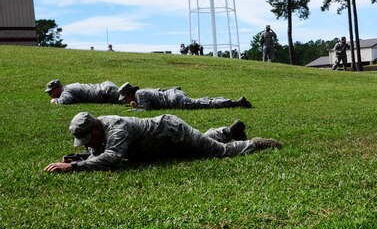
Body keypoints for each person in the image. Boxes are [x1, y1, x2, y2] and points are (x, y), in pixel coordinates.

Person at [43, 112, 281, 172]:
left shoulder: (117, 128)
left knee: (218, 152)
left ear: (95, 126)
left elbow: (113, 157)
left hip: (173, 133)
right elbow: (99, 151)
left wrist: (74, 167)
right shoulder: (100, 129)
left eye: (88, 138)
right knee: (200, 145)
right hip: (167, 142)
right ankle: (226, 129)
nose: (88, 143)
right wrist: (81, 157)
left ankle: (258, 143)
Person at [118, 83, 252, 111]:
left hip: (175, 100)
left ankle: (235, 103)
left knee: (204, 104)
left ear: (130, 93)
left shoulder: (139, 94)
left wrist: (134, 110)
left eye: (125, 98)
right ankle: (227, 100)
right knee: (203, 100)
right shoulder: (141, 93)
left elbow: (147, 109)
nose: (126, 100)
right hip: (175, 95)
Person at [45, 79, 121, 105]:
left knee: (126, 99)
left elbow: (65, 100)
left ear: (57, 88)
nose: (50, 94)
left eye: (50, 92)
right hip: (106, 87)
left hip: (106, 92)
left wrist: (55, 101)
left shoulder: (67, 90)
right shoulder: (68, 87)